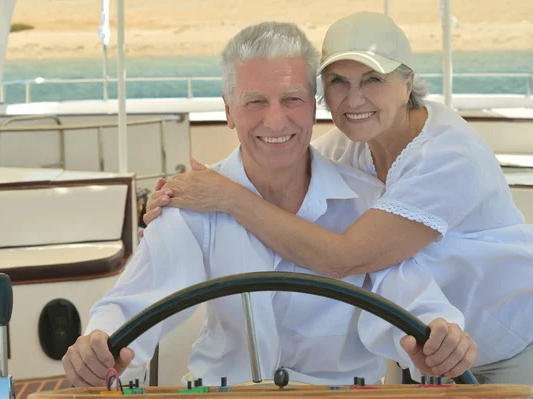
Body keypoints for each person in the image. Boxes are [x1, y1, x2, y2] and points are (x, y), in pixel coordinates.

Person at [62, 21, 476, 388]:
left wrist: (439, 337)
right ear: (228, 111)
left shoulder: (367, 199)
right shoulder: (191, 203)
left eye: (292, 99)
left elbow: (412, 299)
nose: (276, 122)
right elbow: (134, 302)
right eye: (255, 101)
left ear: (314, 108)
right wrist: (100, 344)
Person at [143, 12, 533, 385]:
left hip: (512, 345)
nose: (353, 99)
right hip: (427, 345)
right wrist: (174, 196)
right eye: (338, 82)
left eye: (373, 79)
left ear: (408, 81)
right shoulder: (349, 147)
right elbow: (276, 161)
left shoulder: (450, 156)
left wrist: (228, 198)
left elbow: (344, 258)